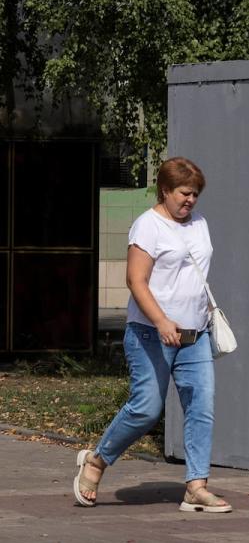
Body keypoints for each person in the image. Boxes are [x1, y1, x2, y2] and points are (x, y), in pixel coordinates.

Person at [72, 157, 231, 513]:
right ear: (165, 190)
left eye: (195, 195)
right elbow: (135, 281)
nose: (190, 201)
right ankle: (96, 461)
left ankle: (196, 486)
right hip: (150, 333)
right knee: (146, 409)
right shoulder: (148, 226)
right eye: (184, 193)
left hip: (196, 335)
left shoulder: (200, 223)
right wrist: (161, 320)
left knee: (201, 407)